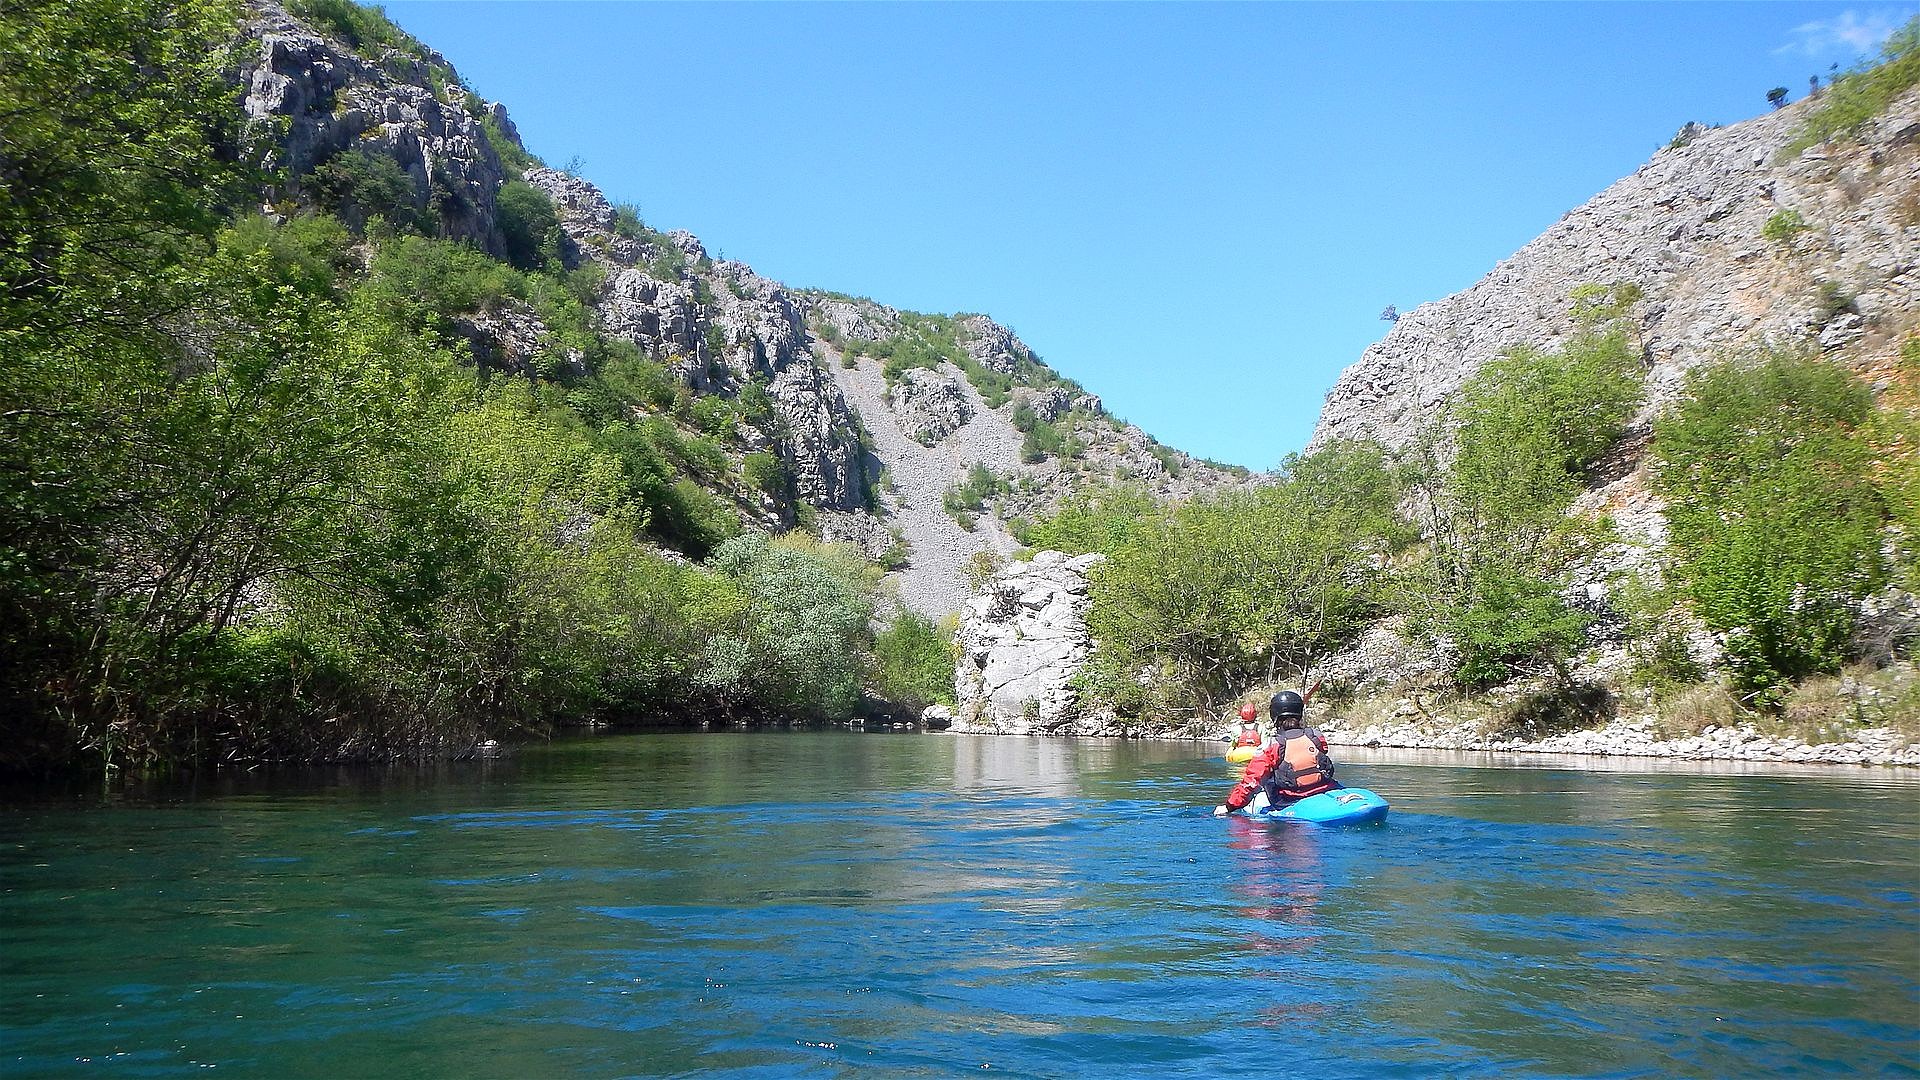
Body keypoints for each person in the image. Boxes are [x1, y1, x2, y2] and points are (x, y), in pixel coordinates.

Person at [1213, 690, 1339, 816]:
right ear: (1300, 714)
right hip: (1325, 788)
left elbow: (1251, 782)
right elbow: (1320, 753)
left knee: (1267, 780)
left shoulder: (1271, 746)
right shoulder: (1316, 736)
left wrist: (1229, 806)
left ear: (1274, 716)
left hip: (1289, 799)